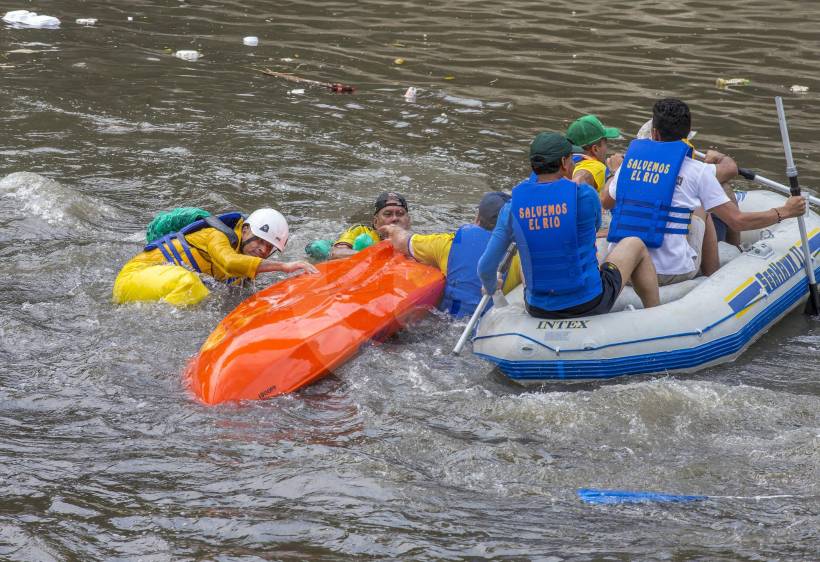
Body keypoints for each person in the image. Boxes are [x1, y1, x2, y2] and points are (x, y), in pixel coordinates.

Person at [602, 98, 806, 285]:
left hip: (624, 268)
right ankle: (712, 278)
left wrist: (614, 172)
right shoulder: (697, 171)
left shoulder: (627, 165)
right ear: (687, 135)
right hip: (669, 272)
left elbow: (606, 202)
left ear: (654, 133)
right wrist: (785, 211)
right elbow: (737, 220)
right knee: (700, 207)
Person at [478, 132, 660, 319]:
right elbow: (595, 228)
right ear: (564, 162)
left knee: (532, 248)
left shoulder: (511, 208)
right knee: (634, 243)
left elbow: (485, 267)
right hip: (589, 302)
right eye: (572, 159)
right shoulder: (585, 195)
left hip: (538, 308)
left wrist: (493, 287)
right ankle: (654, 316)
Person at [113, 208, 318, 306]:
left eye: (270, 247)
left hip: (157, 285)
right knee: (189, 283)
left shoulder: (246, 264)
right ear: (245, 230)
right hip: (133, 278)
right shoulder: (217, 235)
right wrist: (284, 266)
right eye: (260, 241)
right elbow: (228, 261)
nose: (263, 250)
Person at [378, 192, 522, 318]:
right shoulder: (523, 256)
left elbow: (402, 241)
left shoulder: (448, 243)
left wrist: (392, 229)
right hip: (490, 330)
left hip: (446, 324)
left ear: (477, 219)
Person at [328, 192, 411, 259]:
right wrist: (373, 255)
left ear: (408, 221)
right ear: (375, 221)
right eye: (388, 214)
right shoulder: (360, 231)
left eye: (400, 214)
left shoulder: (413, 241)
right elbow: (336, 253)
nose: (394, 218)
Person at [565, 114, 624, 193]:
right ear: (595, 149)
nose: (607, 148)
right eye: (605, 142)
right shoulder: (595, 167)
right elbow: (582, 177)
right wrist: (615, 173)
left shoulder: (565, 160)